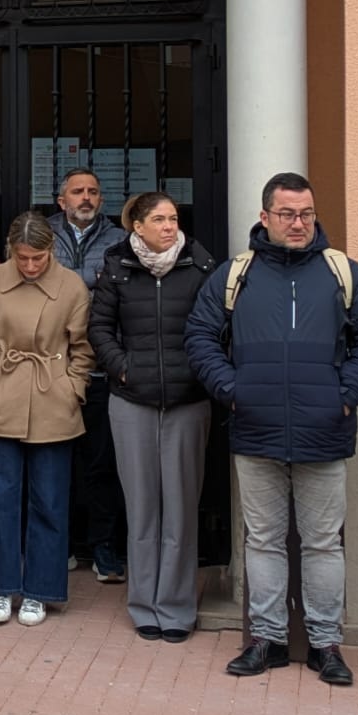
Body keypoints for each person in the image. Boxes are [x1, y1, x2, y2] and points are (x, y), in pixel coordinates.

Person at [186, 171, 358, 687]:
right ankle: (266, 640)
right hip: (255, 428)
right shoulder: (236, 275)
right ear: (265, 217)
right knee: (263, 540)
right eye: (287, 214)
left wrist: (344, 396)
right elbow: (200, 337)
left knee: (323, 544)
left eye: (306, 214)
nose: (298, 223)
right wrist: (233, 390)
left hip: (323, 430)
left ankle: (326, 645)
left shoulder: (341, 272)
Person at [90, 192, 217, 642]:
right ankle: (144, 605)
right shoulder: (117, 267)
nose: (168, 226)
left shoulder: (200, 267)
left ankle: (177, 608)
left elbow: (216, 329)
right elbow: (99, 328)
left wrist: (197, 372)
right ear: (137, 227)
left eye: (173, 218)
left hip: (187, 401)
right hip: (131, 401)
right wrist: (124, 368)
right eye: (159, 219)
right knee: (142, 508)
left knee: (180, 509)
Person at [0, 212, 95, 627]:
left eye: (38, 258)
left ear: (51, 250)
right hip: (2, 395)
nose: (30, 266)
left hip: (53, 397)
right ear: (11, 250)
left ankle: (40, 590)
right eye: (22, 257)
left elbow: (83, 348)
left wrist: (72, 388)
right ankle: (1, 587)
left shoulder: (71, 285)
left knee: (50, 501)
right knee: (0, 498)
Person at [49, 167, 127, 584]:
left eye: (93, 192)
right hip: (50, 369)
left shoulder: (120, 240)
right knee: (54, 464)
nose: (86, 198)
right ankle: (57, 546)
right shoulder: (43, 236)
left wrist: (69, 285)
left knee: (101, 466)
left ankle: (103, 547)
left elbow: (121, 295)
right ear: (61, 201)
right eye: (77, 192)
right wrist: (90, 283)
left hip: (100, 369)